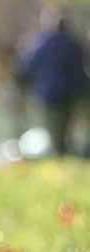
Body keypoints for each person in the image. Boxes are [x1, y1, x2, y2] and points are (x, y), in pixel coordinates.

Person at [15, 9, 90, 156]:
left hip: (49, 93)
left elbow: (29, 66)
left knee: (54, 125)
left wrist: (23, 82)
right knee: (67, 124)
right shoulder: (74, 45)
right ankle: (66, 151)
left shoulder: (42, 45)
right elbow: (81, 69)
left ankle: (59, 152)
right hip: (70, 92)